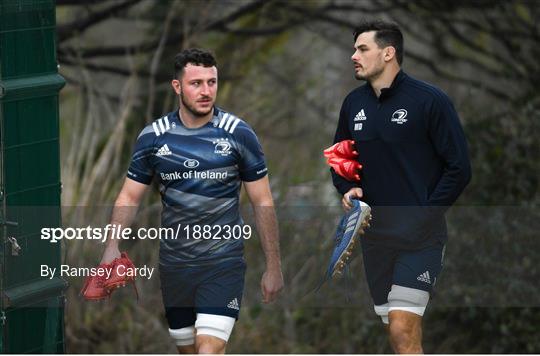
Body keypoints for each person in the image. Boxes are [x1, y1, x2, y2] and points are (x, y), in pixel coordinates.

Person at [99, 48, 283, 354]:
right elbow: (129, 196)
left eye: (212, 82)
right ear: (177, 87)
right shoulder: (154, 137)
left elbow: (262, 200)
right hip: (175, 266)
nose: (206, 91)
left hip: (222, 263)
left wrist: (273, 266)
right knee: (188, 350)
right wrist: (111, 247)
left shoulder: (239, 134)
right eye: (196, 83)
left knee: (207, 349)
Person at [330, 20, 471, 353]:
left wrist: (425, 216)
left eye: (362, 49)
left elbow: (459, 168)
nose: (354, 55)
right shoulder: (353, 105)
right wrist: (348, 188)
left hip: (420, 239)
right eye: (354, 49)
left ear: (388, 52)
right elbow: (341, 157)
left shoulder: (430, 101)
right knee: (399, 333)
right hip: (375, 240)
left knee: (402, 329)